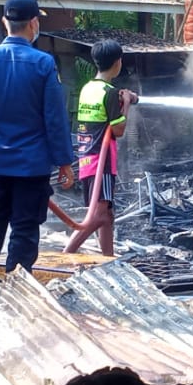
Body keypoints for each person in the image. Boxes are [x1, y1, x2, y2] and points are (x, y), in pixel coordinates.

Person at [0, 0, 75, 295]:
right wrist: (64, 161)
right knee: (24, 228)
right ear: (34, 23)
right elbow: (55, 118)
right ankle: (16, 291)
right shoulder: (43, 63)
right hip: (32, 165)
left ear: (4, 22)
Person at [74, 39, 138, 255]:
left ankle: (108, 259)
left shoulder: (88, 89)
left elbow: (99, 120)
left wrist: (120, 101)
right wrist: (126, 103)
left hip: (86, 157)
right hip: (103, 162)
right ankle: (67, 253)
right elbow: (118, 130)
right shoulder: (110, 92)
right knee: (99, 215)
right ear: (118, 62)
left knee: (107, 214)